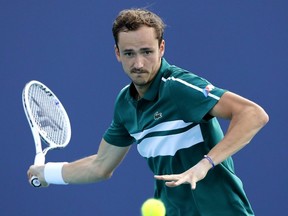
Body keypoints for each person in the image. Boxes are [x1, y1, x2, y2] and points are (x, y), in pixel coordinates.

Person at [27, 8, 269, 216]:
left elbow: (253, 114)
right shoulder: (125, 103)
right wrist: (48, 173)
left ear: (161, 48)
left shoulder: (177, 87)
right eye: (130, 54)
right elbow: (100, 166)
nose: (139, 64)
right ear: (117, 54)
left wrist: (204, 164)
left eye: (147, 51)